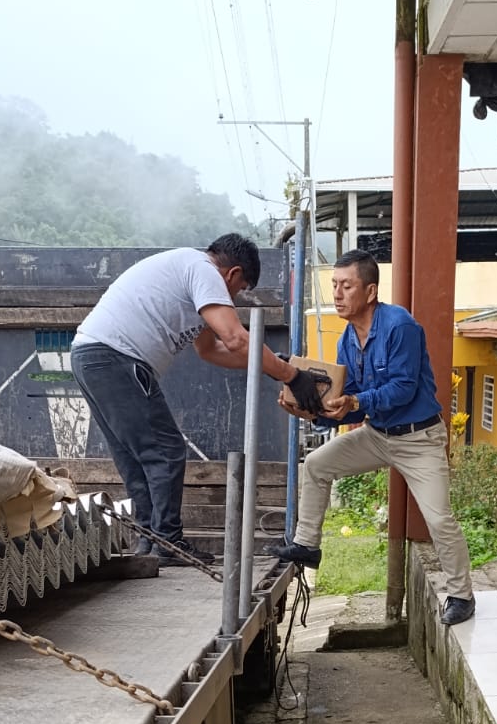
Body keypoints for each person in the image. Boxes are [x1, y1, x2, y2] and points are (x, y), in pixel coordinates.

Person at [71, 234, 325, 568]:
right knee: (165, 451)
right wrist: (290, 375)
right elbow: (235, 338)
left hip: (93, 356)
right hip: (115, 357)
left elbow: (210, 350)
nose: (232, 299)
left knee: (137, 457)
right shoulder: (203, 269)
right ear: (233, 273)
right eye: (238, 290)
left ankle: (150, 541)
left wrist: (272, 364)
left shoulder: (188, 274)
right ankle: (168, 542)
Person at [270, 250, 475, 625]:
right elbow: (352, 407)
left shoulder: (400, 326)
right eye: (334, 285)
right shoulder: (347, 340)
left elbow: (403, 388)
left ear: (370, 291)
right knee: (315, 464)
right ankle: (307, 546)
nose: (337, 294)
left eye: (346, 286)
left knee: (439, 519)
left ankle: (461, 596)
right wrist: (312, 411)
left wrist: (356, 401)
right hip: (377, 435)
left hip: (419, 439)